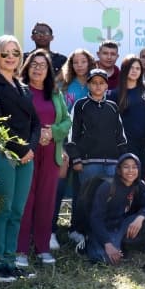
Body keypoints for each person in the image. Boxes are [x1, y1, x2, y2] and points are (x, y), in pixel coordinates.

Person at [0, 35, 41, 283]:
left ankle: (11, 262)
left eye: (15, 52)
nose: (11, 57)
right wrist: (20, 149)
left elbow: (35, 122)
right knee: (1, 210)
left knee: (16, 211)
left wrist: (30, 148)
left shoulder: (22, 87)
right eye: (5, 53)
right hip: (0, 153)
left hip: (26, 156)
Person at [15, 50, 70, 269]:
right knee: (26, 200)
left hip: (51, 153)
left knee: (46, 202)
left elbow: (67, 121)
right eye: (34, 64)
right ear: (27, 67)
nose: (38, 68)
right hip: (27, 152)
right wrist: (37, 135)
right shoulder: (20, 91)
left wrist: (53, 132)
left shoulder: (55, 93)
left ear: (49, 71)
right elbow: (16, 122)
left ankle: (43, 248)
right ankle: (20, 250)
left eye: (43, 65)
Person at [66, 68, 129, 248]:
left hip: (112, 163)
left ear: (107, 86)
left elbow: (120, 136)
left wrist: (123, 160)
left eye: (102, 82)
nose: (98, 86)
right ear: (88, 85)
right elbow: (72, 135)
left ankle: (105, 235)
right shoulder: (80, 105)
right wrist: (76, 158)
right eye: (94, 82)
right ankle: (78, 231)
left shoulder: (112, 106)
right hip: (88, 163)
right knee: (85, 198)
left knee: (110, 199)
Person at [51, 48, 95, 250]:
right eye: (75, 62)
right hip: (64, 143)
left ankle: (75, 229)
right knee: (57, 188)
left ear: (89, 63)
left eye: (83, 61)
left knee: (82, 189)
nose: (79, 65)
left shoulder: (96, 83)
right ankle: (50, 230)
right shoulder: (63, 85)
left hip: (86, 146)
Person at [86, 153, 145, 264]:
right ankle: (98, 243)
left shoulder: (139, 184)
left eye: (134, 167)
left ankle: (121, 243)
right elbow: (95, 219)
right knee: (105, 260)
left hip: (122, 225)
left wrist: (140, 217)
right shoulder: (107, 186)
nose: (131, 170)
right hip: (104, 229)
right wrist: (107, 243)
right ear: (119, 170)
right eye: (126, 167)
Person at [109, 55, 145, 174]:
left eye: (138, 68)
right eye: (131, 68)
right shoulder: (114, 94)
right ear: (124, 70)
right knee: (127, 177)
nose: (134, 71)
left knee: (142, 177)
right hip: (125, 144)